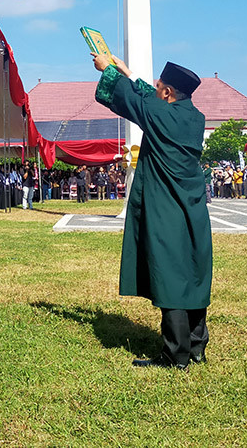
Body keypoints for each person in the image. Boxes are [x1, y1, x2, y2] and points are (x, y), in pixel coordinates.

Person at [92, 52, 212, 370]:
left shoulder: (161, 114)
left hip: (167, 209)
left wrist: (108, 71)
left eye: (159, 86)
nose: (155, 89)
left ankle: (175, 355)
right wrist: (128, 72)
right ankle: (197, 345)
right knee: (192, 273)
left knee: (170, 276)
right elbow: (149, 99)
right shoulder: (193, 117)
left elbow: (134, 101)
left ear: (168, 92)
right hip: (193, 208)